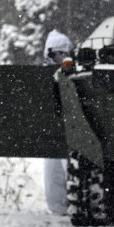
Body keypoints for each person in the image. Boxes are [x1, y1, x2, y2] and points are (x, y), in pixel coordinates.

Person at [43, 29, 73, 216]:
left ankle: (69, 203)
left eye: (63, 54)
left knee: (69, 167)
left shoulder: (73, 73)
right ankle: (58, 206)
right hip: (54, 128)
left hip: (71, 128)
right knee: (53, 169)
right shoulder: (44, 75)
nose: (60, 58)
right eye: (56, 54)